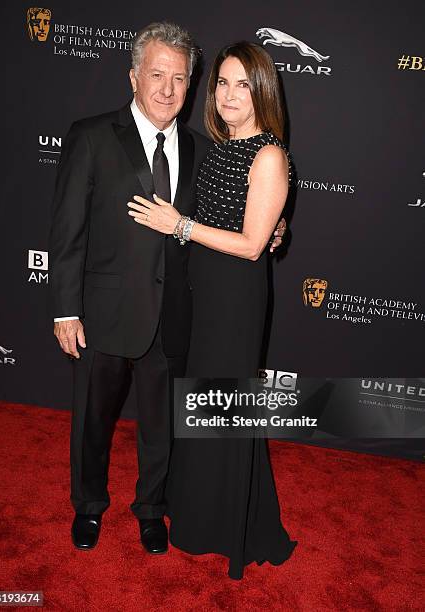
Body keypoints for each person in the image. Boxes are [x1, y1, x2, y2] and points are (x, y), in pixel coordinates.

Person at [128, 41, 297, 579]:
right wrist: (274, 225)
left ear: (262, 91)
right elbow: (249, 220)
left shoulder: (269, 153)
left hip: (236, 299)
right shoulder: (216, 148)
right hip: (202, 294)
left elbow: (250, 244)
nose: (228, 94)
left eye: (242, 84)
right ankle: (198, 516)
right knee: (203, 405)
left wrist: (178, 225)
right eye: (222, 82)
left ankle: (233, 527)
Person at [48, 22, 212, 556]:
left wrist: (271, 228)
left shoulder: (200, 149)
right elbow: (68, 230)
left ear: (191, 86)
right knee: (92, 421)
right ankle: (89, 505)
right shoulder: (93, 135)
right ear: (133, 77)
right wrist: (65, 309)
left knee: (161, 426)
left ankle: (151, 510)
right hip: (104, 310)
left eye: (180, 79)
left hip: (173, 314)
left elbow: (217, 229)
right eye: (157, 75)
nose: (168, 89)